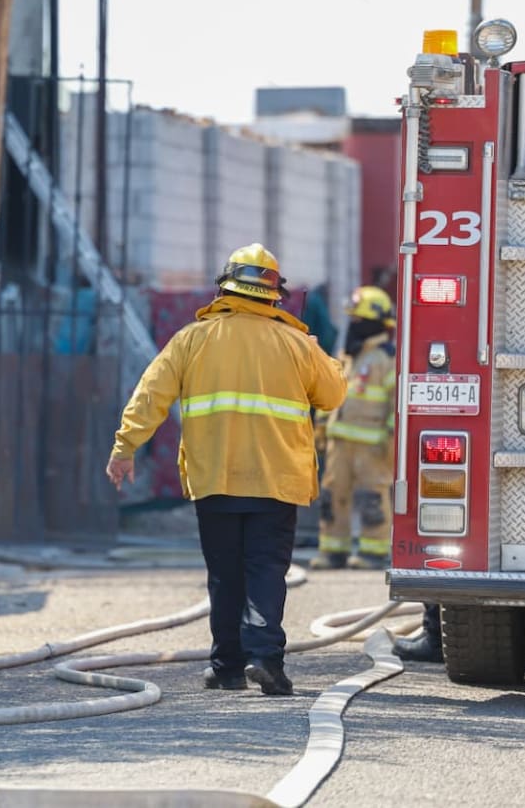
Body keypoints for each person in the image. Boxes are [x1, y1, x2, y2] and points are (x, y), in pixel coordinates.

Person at [105, 243, 346, 696]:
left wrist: (125, 448)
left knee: (224, 573)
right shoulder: (296, 343)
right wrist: (318, 352)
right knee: (266, 570)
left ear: (225, 287)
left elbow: (150, 394)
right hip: (277, 480)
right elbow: (333, 395)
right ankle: (266, 659)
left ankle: (228, 666)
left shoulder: (192, 338)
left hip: (214, 477)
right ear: (274, 294)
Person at [310, 285, 397, 571]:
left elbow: (396, 404)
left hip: (373, 444)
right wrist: (321, 427)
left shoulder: (387, 359)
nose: (354, 325)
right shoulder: (348, 355)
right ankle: (333, 550)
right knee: (334, 496)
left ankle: (373, 551)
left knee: (371, 496)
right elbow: (331, 394)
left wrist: (391, 438)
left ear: (376, 322)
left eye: (359, 319)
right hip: (339, 441)